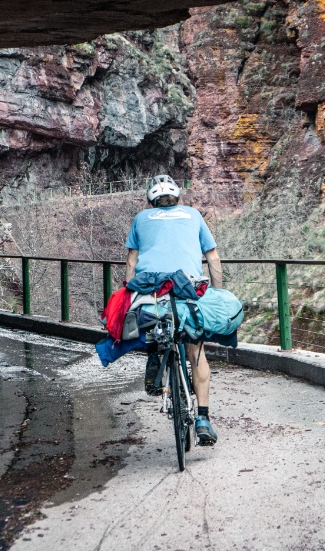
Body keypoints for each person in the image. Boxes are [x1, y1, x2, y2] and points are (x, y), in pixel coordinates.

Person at [124, 174, 223, 446]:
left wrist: (130, 290)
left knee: (153, 325)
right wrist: (217, 290)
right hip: (188, 290)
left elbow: (132, 260)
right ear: (177, 197)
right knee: (196, 352)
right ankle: (203, 418)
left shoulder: (141, 219)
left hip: (152, 292)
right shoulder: (193, 214)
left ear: (150, 200)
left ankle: (156, 357)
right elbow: (212, 256)